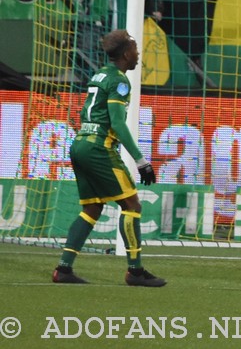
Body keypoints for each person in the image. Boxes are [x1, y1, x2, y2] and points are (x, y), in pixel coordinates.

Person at [52, 30, 166, 287]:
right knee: (133, 206)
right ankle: (135, 272)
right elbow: (117, 122)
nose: (138, 54)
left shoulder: (99, 74)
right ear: (127, 54)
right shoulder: (119, 82)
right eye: (135, 49)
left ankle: (63, 269)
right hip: (98, 148)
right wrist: (140, 160)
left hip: (80, 142)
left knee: (92, 209)